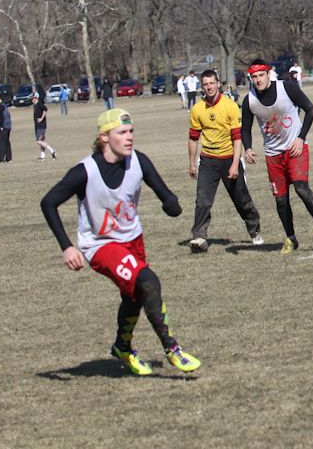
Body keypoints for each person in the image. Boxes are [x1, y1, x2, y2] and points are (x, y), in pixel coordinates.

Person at [39, 108, 201, 376]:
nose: (129, 137)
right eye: (122, 132)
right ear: (104, 137)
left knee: (135, 295)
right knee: (148, 281)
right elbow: (48, 203)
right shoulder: (85, 171)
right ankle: (172, 349)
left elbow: (165, 194)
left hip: (133, 240)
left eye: (131, 131)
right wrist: (67, 247)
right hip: (101, 245)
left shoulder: (139, 160)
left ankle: (122, 347)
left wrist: (171, 203)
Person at [241, 59, 313, 254]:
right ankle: (291, 239)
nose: (258, 80)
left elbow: (310, 110)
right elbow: (245, 129)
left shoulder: (287, 88)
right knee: (281, 200)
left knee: (301, 188)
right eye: (254, 77)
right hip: (272, 155)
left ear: (268, 74)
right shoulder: (249, 100)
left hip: (295, 148)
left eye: (261, 75)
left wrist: (301, 138)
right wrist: (248, 148)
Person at [187, 69, 263, 253]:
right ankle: (199, 236)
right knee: (203, 200)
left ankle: (255, 231)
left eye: (211, 83)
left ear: (218, 84)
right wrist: (191, 163)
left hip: (230, 158)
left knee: (241, 199)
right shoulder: (197, 109)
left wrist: (235, 164)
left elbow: (237, 138)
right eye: (205, 84)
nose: (209, 87)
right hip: (208, 160)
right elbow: (193, 138)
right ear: (202, 87)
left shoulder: (230, 106)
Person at [33, 90, 57, 161]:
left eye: (33, 98)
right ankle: (42, 156)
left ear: (36, 98)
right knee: (42, 141)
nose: (32, 99)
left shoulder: (39, 104)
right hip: (37, 126)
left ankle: (52, 151)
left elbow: (45, 109)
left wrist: (41, 118)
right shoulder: (35, 105)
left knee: (39, 141)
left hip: (41, 126)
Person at [0, 92, 12, 163]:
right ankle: (9, 158)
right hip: (8, 125)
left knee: (1, 143)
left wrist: (1, 126)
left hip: (4, 126)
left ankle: (0, 159)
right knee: (7, 142)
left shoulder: (1, 106)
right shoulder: (4, 105)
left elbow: (3, 117)